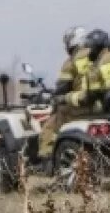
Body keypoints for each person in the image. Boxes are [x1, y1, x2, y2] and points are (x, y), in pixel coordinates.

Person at [37, 25, 92, 164]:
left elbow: (62, 88)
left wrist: (55, 97)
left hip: (82, 107)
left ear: (72, 42)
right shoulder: (99, 55)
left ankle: (48, 160)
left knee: (50, 125)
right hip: (102, 105)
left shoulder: (72, 61)